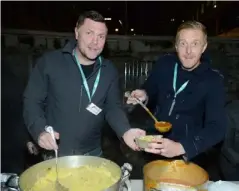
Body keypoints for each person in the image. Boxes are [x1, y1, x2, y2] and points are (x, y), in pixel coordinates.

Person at [23, 10, 145, 158]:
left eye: (101, 36)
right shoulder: (49, 63)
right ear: (76, 33)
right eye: (89, 33)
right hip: (54, 154)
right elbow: (32, 101)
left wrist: (125, 130)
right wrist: (39, 130)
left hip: (92, 154)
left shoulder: (109, 70)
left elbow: (113, 107)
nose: (95, 41)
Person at [127, 21, 227, 164]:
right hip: (155, 144)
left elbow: (217, 128)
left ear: (204, 47)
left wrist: (182, 147)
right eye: (183, 44)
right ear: (176, 46)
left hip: (189, 153)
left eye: (195, 44)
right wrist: (144, 94)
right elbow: (151, 87)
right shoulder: (165, 64)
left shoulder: (213, 80)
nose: (188, 51)